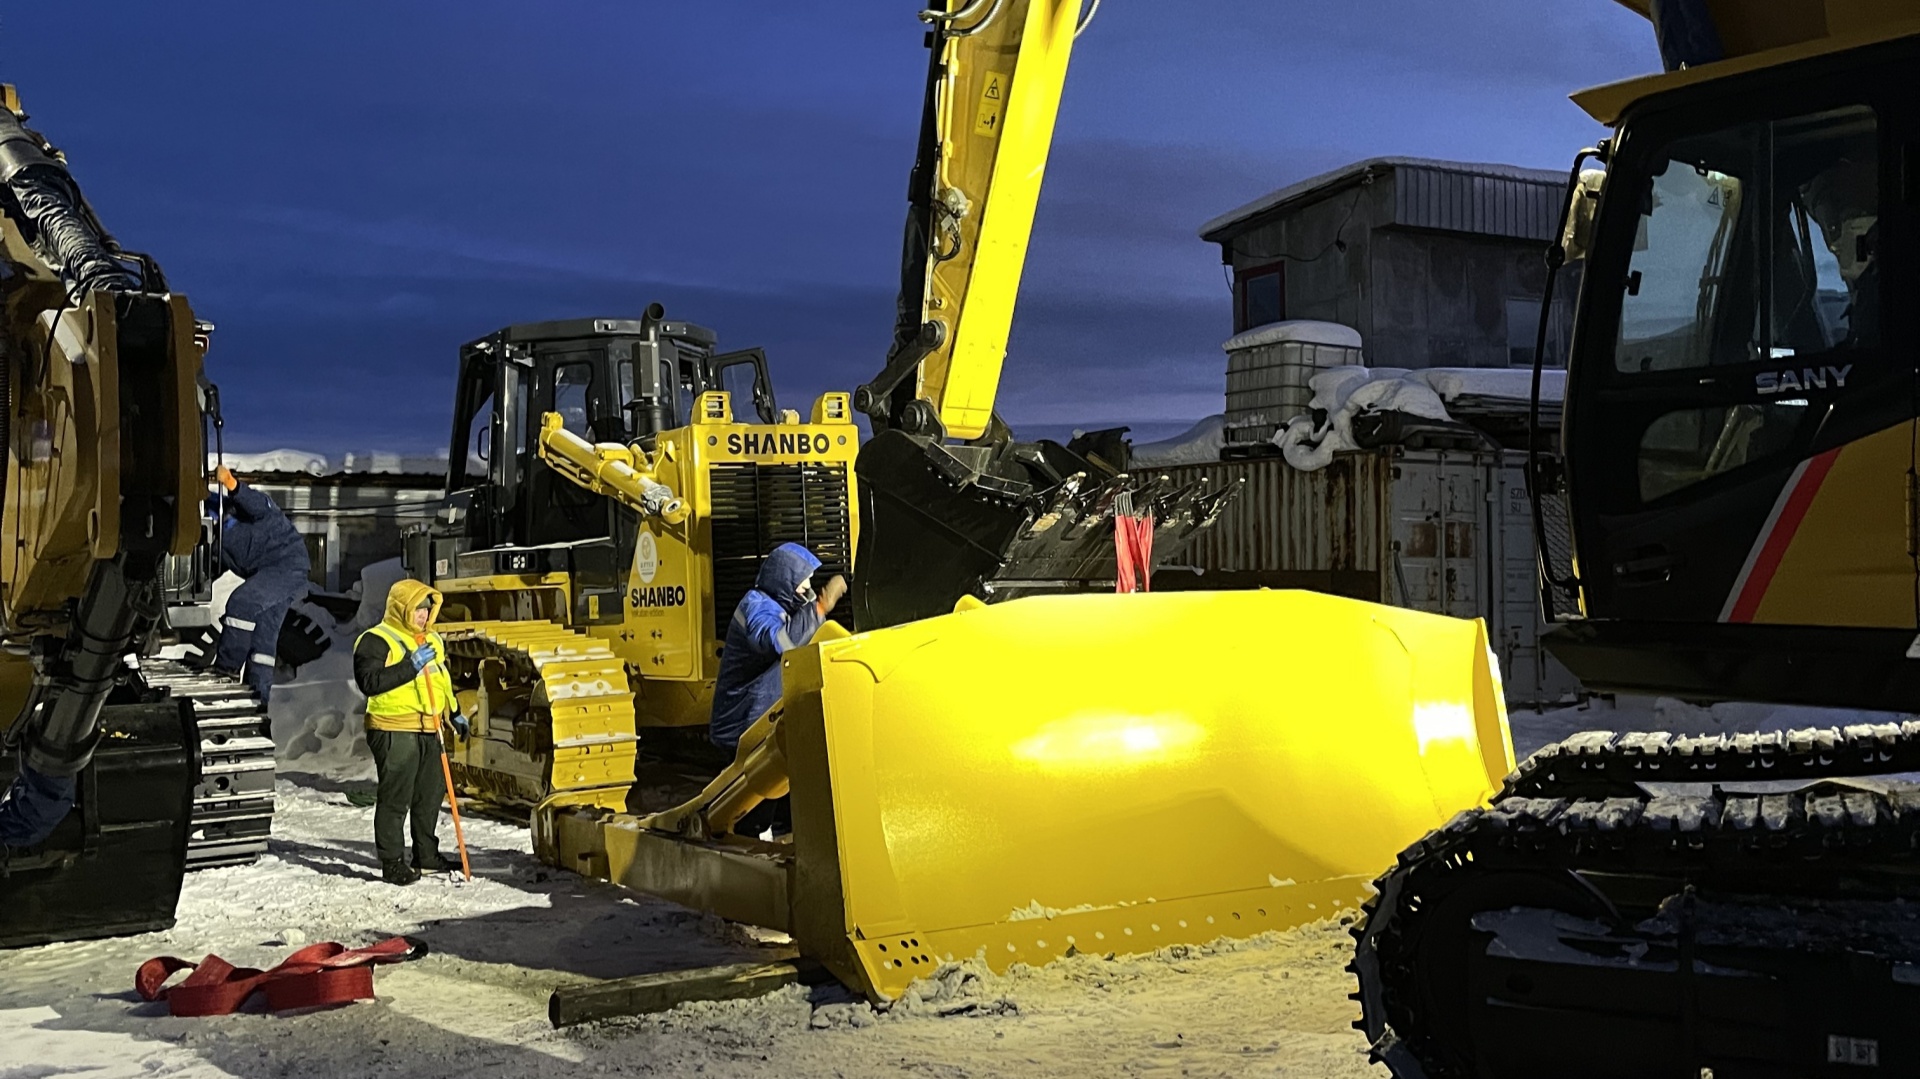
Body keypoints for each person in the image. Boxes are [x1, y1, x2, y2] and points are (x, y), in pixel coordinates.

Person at [353, 579, 468, 885]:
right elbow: (370, 682)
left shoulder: (431, 640)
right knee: (396, 797)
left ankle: (426, 856)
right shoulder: (376, 640)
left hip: (429, 726)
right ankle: (392, 861)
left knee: (429, 795)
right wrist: (409, 666)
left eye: (428, 609)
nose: (424, 615)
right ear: (402, 608)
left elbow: (440, 678)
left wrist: (454, 711)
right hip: (393, 727)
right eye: (418, 608)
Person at [708, 543, 846, 754]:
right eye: (802, 584)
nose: (807, 590)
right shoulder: (756, 607)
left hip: (755, 719)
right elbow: (779, 644)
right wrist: (819, 607)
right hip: (742, 723)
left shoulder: (779, 606)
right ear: (784, 582)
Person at [207, 465, 311, 704]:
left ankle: (227, 670)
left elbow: (256, 502)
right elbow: (214, 569)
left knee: (242, 603)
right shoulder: (218, 544)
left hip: (287, 563)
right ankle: (258, 697)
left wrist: (230, 483)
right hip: (269, 571)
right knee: (264, 637)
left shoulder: (244, 510)